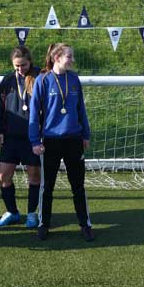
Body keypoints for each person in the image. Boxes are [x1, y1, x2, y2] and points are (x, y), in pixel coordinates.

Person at [29, 43, 93, 241]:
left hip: (74, 139)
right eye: (69, 56)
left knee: (78, 186)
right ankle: (44, 224)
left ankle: (85, 224)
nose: (72, 60)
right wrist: (34, 140)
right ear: (57, 57)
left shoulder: (74, 80)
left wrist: (85, 135)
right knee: (47, 187)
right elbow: (34, 113)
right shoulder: (43, 80)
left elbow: (80, 109)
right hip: (50, 141)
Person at [0, 46, 41, 228]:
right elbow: (0, 106)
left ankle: (32, 214)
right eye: (16, 66)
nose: (20, 69)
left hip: (32, 137)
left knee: (34, 177)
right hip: (11, 137)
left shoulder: (40, 77)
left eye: (23, 65)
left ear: (30, 61)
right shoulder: (7, 79)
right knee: (3, 176)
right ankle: (12, 212)